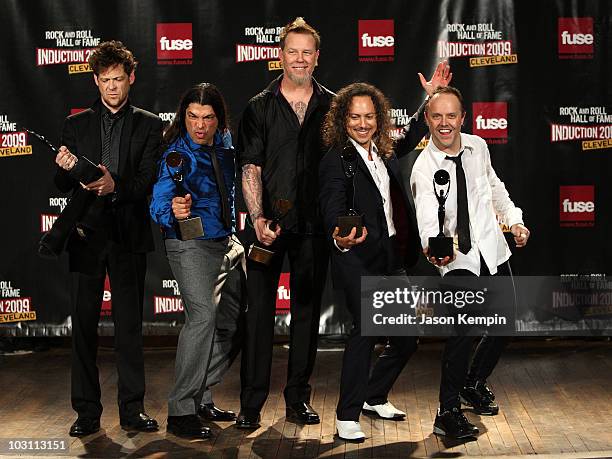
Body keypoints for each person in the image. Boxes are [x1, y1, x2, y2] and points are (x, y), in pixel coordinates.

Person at [318, 78, 448, 441]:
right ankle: (346, 416)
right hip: (356, 258)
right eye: (355, 117)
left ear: (379, 119)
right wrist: (338, 234)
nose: (363, 124)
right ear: (343, 120)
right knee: (367, 330)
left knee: (406, 337)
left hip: (391, 257)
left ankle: (373, 396)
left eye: (370, 116)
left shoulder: (383, 151)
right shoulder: (336, 161)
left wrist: (431, 97)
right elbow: (332, 204)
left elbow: (411, 135)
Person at [53, 40, 162, 437]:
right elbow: (61, 183)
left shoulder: (150, 124)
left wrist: (116, 185)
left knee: (129, 326)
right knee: (82, 326)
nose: (112, 88)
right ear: (95, 82)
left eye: (119, 79)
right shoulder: (76, 124)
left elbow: (148, 180)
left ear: (130, 78)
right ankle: (86, 411)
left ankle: (132, 410)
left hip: (128, 235)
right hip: (85, 235)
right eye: (105, 81)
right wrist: (65, 168)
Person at [410, 86, 530, 439]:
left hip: (493, 249)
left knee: (504, 324)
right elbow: (428, 225)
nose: (444, 123)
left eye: (451, 116)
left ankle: (473, 383)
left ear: (463, 117)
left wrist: (515, 220)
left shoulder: (478, 146)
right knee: (462, 334)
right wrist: (436, 250)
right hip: (458, 259)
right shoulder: (423, 167)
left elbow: (495, 188)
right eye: (437, 116)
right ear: (428, 120)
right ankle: (446, 411)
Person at [235, 17, 332, 429]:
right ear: (279, 55)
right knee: (257, 315)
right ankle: (251, 404)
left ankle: (297, 399)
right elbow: (250, 166)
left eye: (306, 52)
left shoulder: (333, 106)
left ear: (316, 57)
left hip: (314, 227)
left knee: (306, 315)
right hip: (267, 226)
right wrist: (257, 218)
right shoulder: (258, 106)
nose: (299, 59)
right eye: (292, 51)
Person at [150, 83, 245, 439]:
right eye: (192, 117)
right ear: (183, 117)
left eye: (207, 118)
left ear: (219, 120)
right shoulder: (176, 154)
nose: (199, 125)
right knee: (203, 317)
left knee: (235, 323)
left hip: (227, 242)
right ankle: (180, 410)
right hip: (189, 243)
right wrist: (172, 211)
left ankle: (203, 394)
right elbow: (159, 201)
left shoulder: (225, 146)